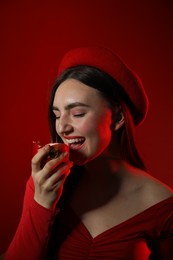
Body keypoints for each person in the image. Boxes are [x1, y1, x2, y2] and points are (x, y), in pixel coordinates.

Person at [4, 46, 173, 259]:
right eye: (57, 115)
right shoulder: (46, 183)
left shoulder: (164, 206)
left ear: (118, 117)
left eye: (77, 113)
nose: (62, 127)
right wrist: (42, 202)